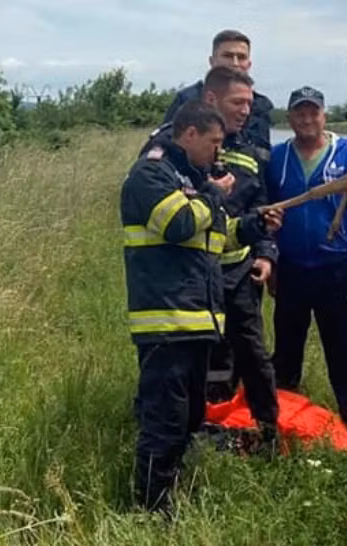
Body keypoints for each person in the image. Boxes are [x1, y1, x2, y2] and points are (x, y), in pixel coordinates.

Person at [120, 98, 282, 514]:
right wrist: (213, 192)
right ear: (189, 134)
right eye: (213, 142)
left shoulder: (189, 177)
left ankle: (175, 488)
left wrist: (252, 225)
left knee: (191, 415)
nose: (218, 151)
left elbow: (218, 236)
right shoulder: (151, 173)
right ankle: (153, 511)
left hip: (196, 319)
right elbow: (179, 224)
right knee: (165, 420)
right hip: (167, 321)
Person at [143, 66, 281, 443]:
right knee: (195, 360)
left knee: (253, 354)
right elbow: (171, 216)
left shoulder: (250, 152)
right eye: (238, 102)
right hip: (190, 278)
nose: (246, 111)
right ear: (211, 100)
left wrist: (265, 250)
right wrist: (214, 195)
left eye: (250, 104)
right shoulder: (172, 150)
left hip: (237, 271)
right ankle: (191, 434)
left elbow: (259, 205)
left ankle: (269, 434)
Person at [266, 85, 347, 441]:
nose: (307, 118)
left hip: (338, 269)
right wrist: (270, 262)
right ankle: (283, 424)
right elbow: (268, 214)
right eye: (299, 112)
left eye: (313, 111)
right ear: (290, 118)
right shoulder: (276, 158)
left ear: (324, 115)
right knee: (285, 351)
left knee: (345, 351)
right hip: (292, 269)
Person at [162, 29, 274, 159]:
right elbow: (167, 147)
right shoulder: (187, 99)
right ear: (212, 61)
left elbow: (263, 157)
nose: (235, 63)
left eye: (241, 57)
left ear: (249, 64)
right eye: (228, 56)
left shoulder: (260, 106)